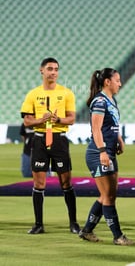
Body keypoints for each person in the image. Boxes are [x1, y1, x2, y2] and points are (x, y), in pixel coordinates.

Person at [20, 57, 79, 234]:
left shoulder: (67, 93)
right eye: (50, 69)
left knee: (66, 182)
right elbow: (27, 120)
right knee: (38, 183)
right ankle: (38, 224)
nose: (53, 72)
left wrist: (58, 119)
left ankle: (73, 223)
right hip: (39, 139)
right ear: (42, 71)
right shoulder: (32, 94)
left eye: (56, 69)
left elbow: (72, 118)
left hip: (59, 139)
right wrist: (41, 119)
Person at [79, 68, 135, 246]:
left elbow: (111, 124)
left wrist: (118, 139)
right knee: (108, 196)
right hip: (98, 153)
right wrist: (103, 151)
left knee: (107, 195)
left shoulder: (111, 100)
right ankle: (118, 236)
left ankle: (87, 231)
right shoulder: (100, 101)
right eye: (117, 80)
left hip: (109, 151)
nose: (120, 83)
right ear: (107, 82)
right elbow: (96, 129)